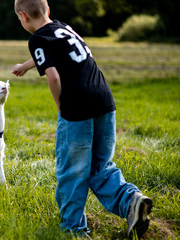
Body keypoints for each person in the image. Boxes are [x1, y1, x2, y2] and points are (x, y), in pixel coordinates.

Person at [11, 0, 153, 238]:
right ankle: (132, 202)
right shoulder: (62, 27)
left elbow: (53, 76)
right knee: (101, 166)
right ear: (47, 10)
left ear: (23, 16)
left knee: (72, 172)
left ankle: (74, 230)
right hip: (104, 101)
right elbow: (53, 54)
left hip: (77, 109)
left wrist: (60, 106)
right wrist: (25, 66)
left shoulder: (36, 39)